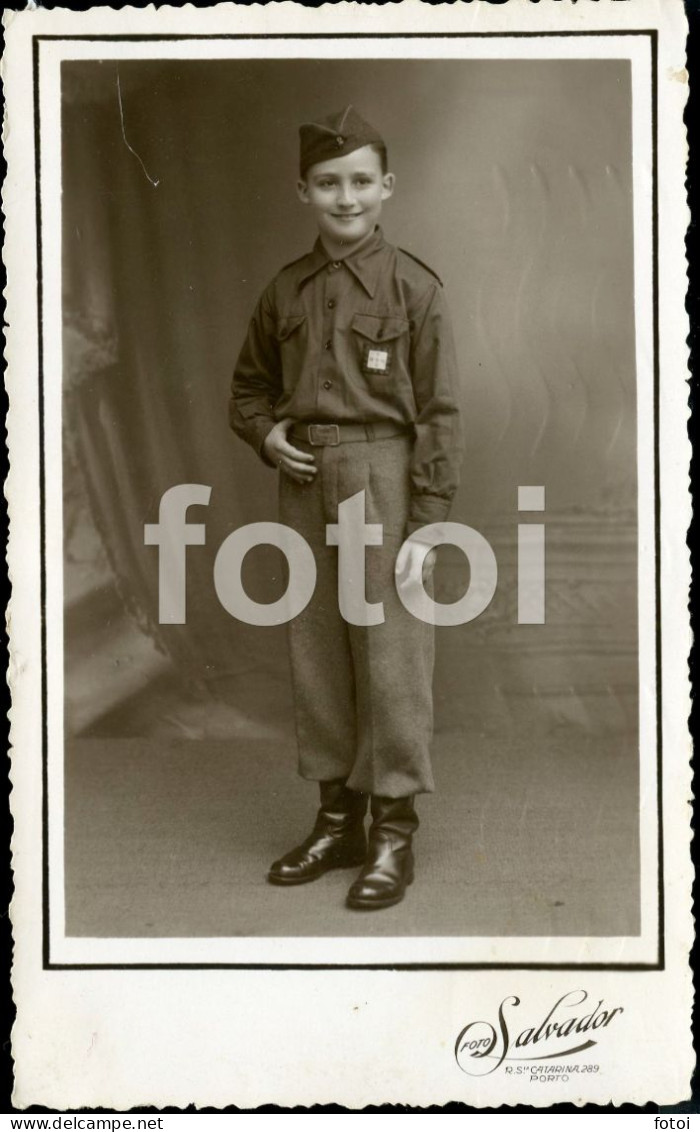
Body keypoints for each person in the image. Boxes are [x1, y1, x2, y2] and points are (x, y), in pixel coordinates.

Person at [229, 105, 462, 910]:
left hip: (386, 478)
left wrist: (428, 524)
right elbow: (248, 392)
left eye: (361, 181)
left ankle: (394, 834)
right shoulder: (283, 290)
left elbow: (438, 413)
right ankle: (338, 822)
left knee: (392, 661)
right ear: (303, 190)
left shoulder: (415, 287)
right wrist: (267, 440)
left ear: (387, 187)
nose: (345, 196)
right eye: (328, 183)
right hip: (305, 480)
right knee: (317, 652)